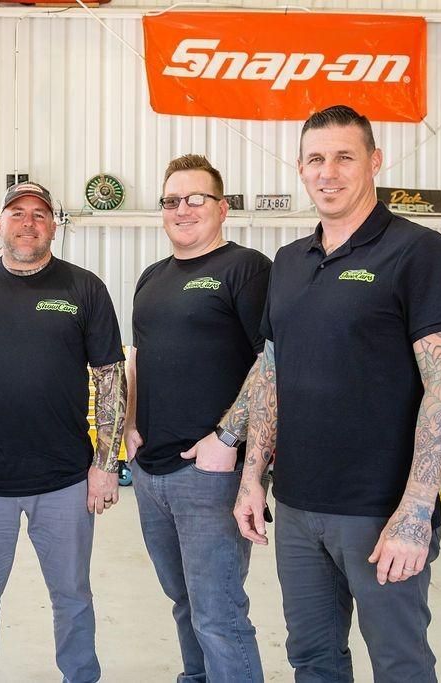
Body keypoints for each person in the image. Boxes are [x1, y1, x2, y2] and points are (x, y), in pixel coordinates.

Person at [233, 105, 441, 682]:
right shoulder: (289, 262)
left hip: (379, 509)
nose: (328, 172)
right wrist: (251, 478)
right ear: (300, 168)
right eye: (316, 159)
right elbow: (270, 370)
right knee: (312, 659)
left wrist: (416, 509)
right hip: (295, 506)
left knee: (399, 663)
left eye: (345, 156)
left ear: (375, 162)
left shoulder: (418, 250)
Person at [0, 181, 126, 683]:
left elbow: (110, 381)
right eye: (17, 213)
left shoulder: (84, 288)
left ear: (53, 227)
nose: (28, 222)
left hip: (64, 480)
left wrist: (106, 465)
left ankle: (80, 676)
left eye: (40, 214)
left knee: (73, 597)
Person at [125, 154, 269, 682]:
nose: (182, 209)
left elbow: (271, 363)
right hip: (152, 470)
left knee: (219, 613)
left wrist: (226, 438)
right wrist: (129, 425)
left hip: (210, 474)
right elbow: (137, 356)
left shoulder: (245, 268)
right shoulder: (151, 277)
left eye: (195, 198)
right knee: (185, 603)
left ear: (222, 208)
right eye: (171, 200)